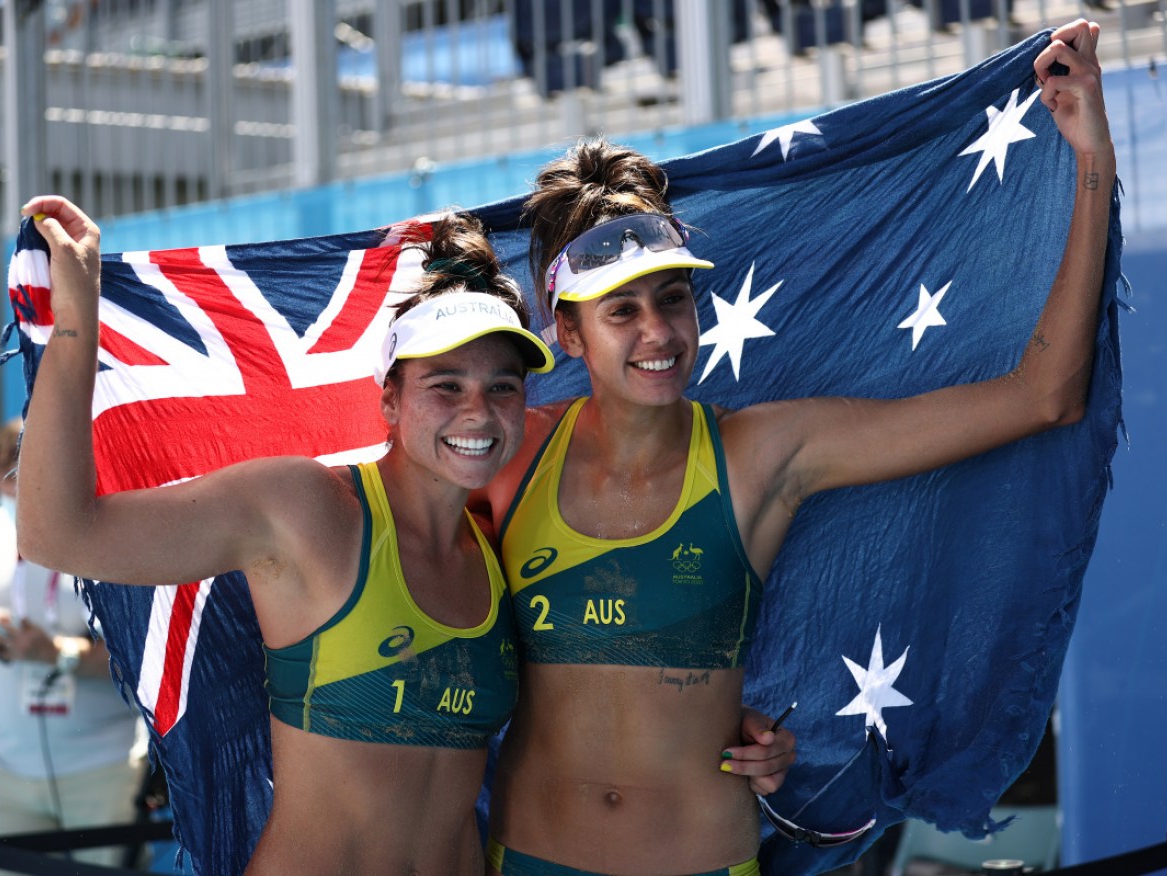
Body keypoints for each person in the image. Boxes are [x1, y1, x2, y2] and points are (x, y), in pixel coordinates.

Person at [476, 19, 1112, 876]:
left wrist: (1090, 163)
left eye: (672, 299)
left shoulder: (761, 454)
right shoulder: (504, 455)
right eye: (620, 312)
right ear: (566, 332)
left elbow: (1042, 397)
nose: (658, 332)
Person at [13, 195, 556, 875]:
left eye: (502, 388)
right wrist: (75, 327)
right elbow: (57, 534)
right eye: (445, 386)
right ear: (387, 400)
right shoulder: (306, 509)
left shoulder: (497, 543)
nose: (477, 412)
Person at [0, 418, 147, 874]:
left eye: (19, 459)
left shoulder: (108, 528)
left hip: (99, 768)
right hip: (4, 768)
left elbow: (142, 656)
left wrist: (57, 654)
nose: (9, 474)